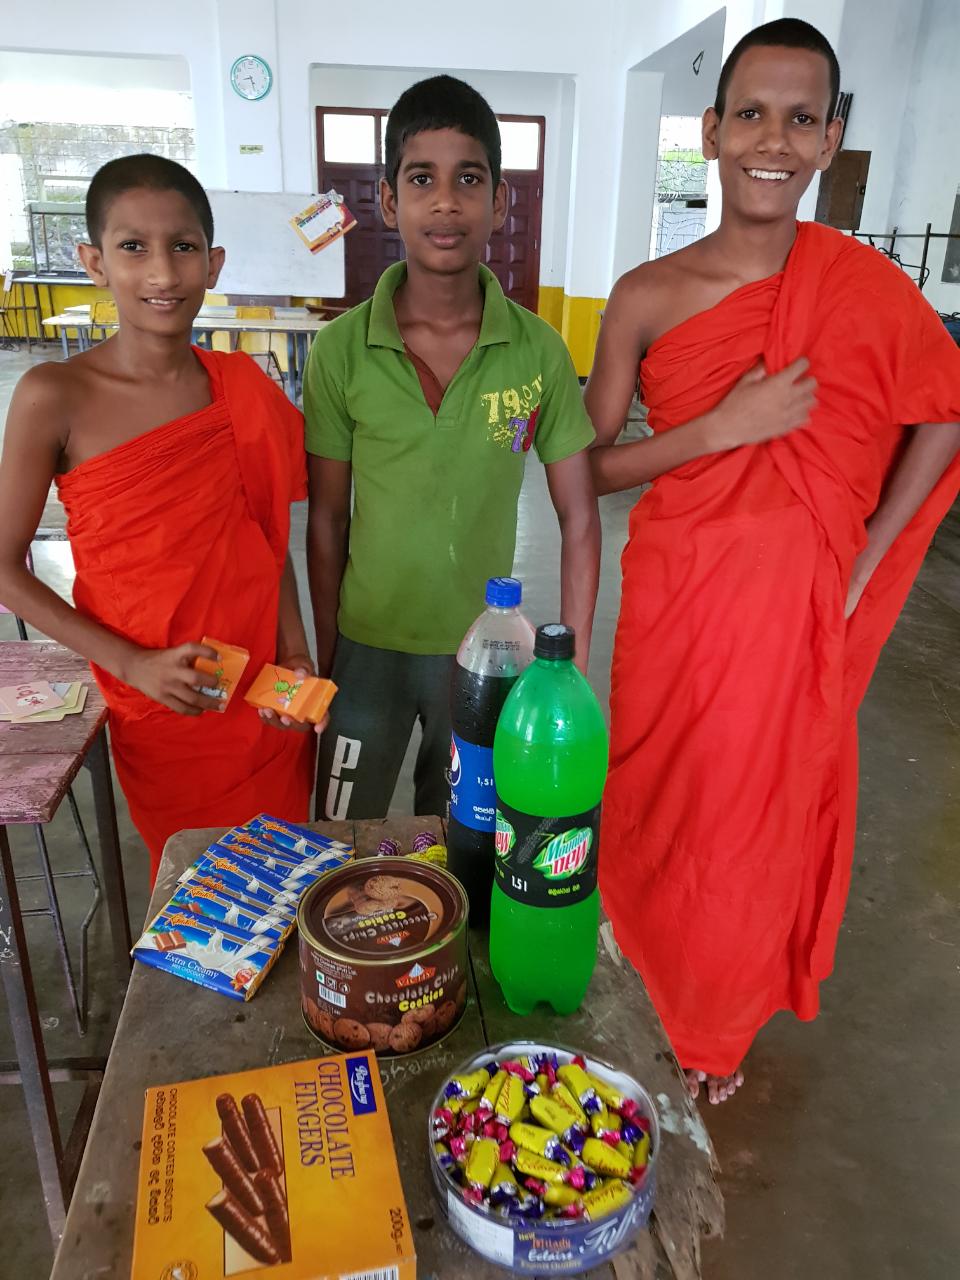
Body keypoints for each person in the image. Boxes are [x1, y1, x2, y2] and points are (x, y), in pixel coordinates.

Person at [586, 20, 960, 1104]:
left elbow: (943, 408)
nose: (774, 140)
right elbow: (586, 468)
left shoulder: (863, 287)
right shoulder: (646, 294)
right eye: (751, 113)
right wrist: (718, 429)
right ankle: (639, 984)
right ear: (711, 131)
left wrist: (869, 555)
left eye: (802, 119)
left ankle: (713, 1025)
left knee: (753, 824)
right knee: (660, 799)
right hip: (679, 601)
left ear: (831, 138)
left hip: (795, 613)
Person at [0, 155, 316, 881]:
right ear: (94, 262)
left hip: (263, 700)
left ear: (213, 262)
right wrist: (130, 663)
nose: (163, 273)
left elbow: (268, 538)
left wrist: (296, 654)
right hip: (163, 703)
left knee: (284, 880)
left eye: (182, 247)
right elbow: (4, 566)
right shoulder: (56, 394)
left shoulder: (241, 387)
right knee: (198, 894)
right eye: (133, 247)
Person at [305, 75, 600, 821]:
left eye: (468, 179)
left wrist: (570, 664)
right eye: (421, 179)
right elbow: (326, 521)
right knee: (341, 838)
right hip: (365, 648)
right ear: (387, 200)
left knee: (464, 844)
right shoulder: (342, 350)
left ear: (499, 202)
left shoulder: (537, 351)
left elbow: (580, 515)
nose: (445, 202)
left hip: (485, 653)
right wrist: (328, 654)